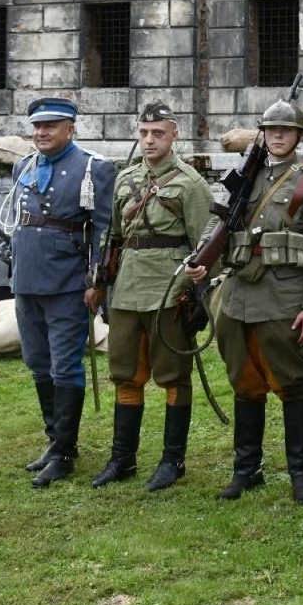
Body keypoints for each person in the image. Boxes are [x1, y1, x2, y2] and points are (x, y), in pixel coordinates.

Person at [189, 98, 303, 505]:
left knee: (292, 384)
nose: (277, 135)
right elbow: (219, 223)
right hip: (238, 298)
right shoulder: (245, 177)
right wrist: (202, 258)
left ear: (298, 136)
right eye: (271, 129)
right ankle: (246, 469)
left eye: (285, 130)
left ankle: (300, 472)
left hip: (284, 299)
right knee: (245, 384)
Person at [89, 102, 214, 492]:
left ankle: (171, 460)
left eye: (157, 132)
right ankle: (122, 458)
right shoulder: (125, 179)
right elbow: (111, 238)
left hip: (168, 292)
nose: (149, 140)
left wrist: (197, 286)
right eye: (143, 132)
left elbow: (206, 244)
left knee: (173, 375)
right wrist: (99, 284)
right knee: (125, 373)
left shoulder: (191, 184)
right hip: (126, 290)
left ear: (174, 134)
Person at [6, 97, 117, 488]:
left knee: (64, 365)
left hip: (69, 282)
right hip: (27, 278)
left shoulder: (93, 168)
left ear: (71, 128)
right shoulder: (24, 166)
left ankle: (65, 453)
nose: (42, 133)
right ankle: (55, 442)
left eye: (51, 126)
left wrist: (97, 281)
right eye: (37, 126)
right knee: (37, 361)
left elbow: (104, 230)